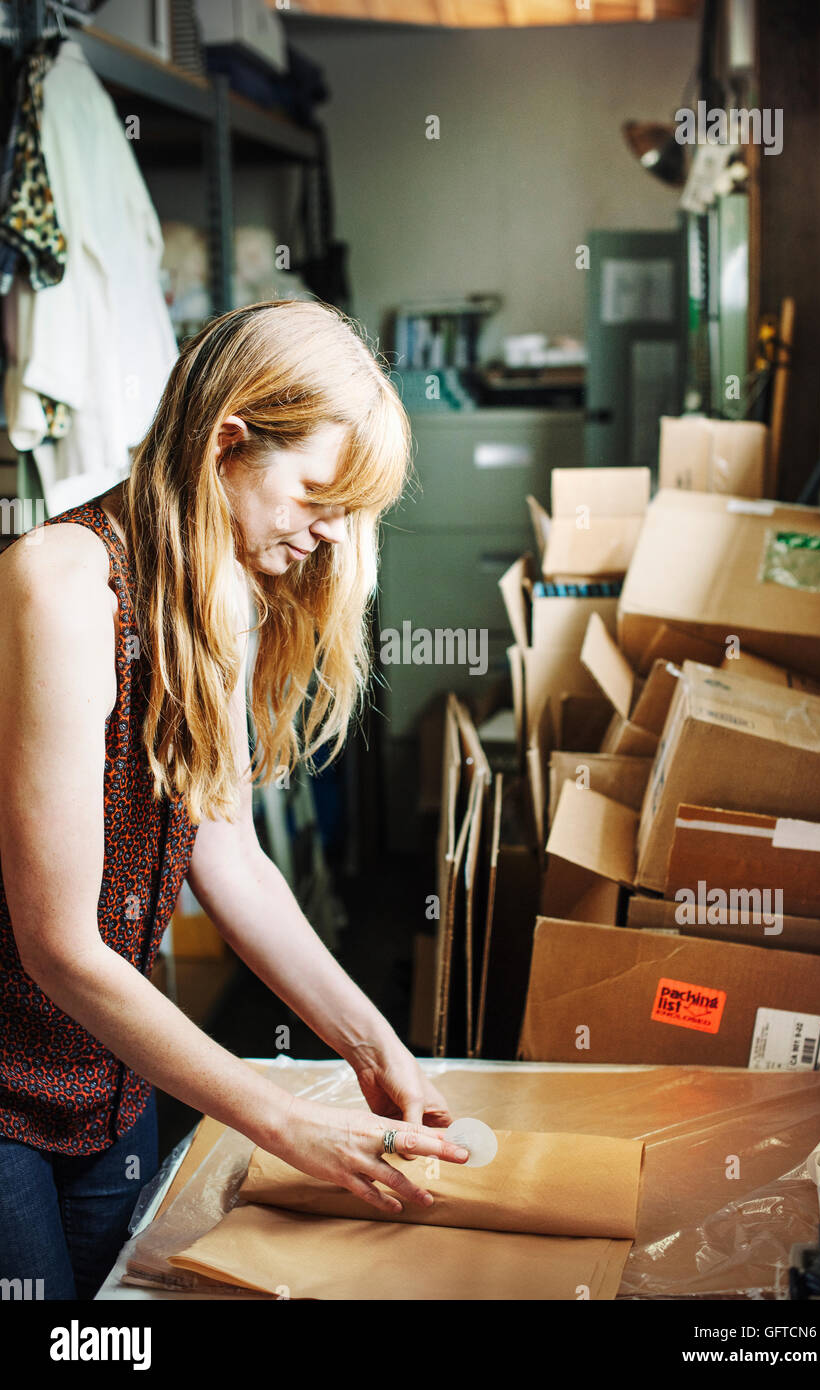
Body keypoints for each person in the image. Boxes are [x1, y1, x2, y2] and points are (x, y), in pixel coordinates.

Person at [0, 299, 468, 1300]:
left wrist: (372, 1040)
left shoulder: (215, 591)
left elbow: (230, 856)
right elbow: (57, 944)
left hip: (112, 1076)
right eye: (315, 494)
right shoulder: (61, 585)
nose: (332, 536)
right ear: (228, 443)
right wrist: (285, 1119)